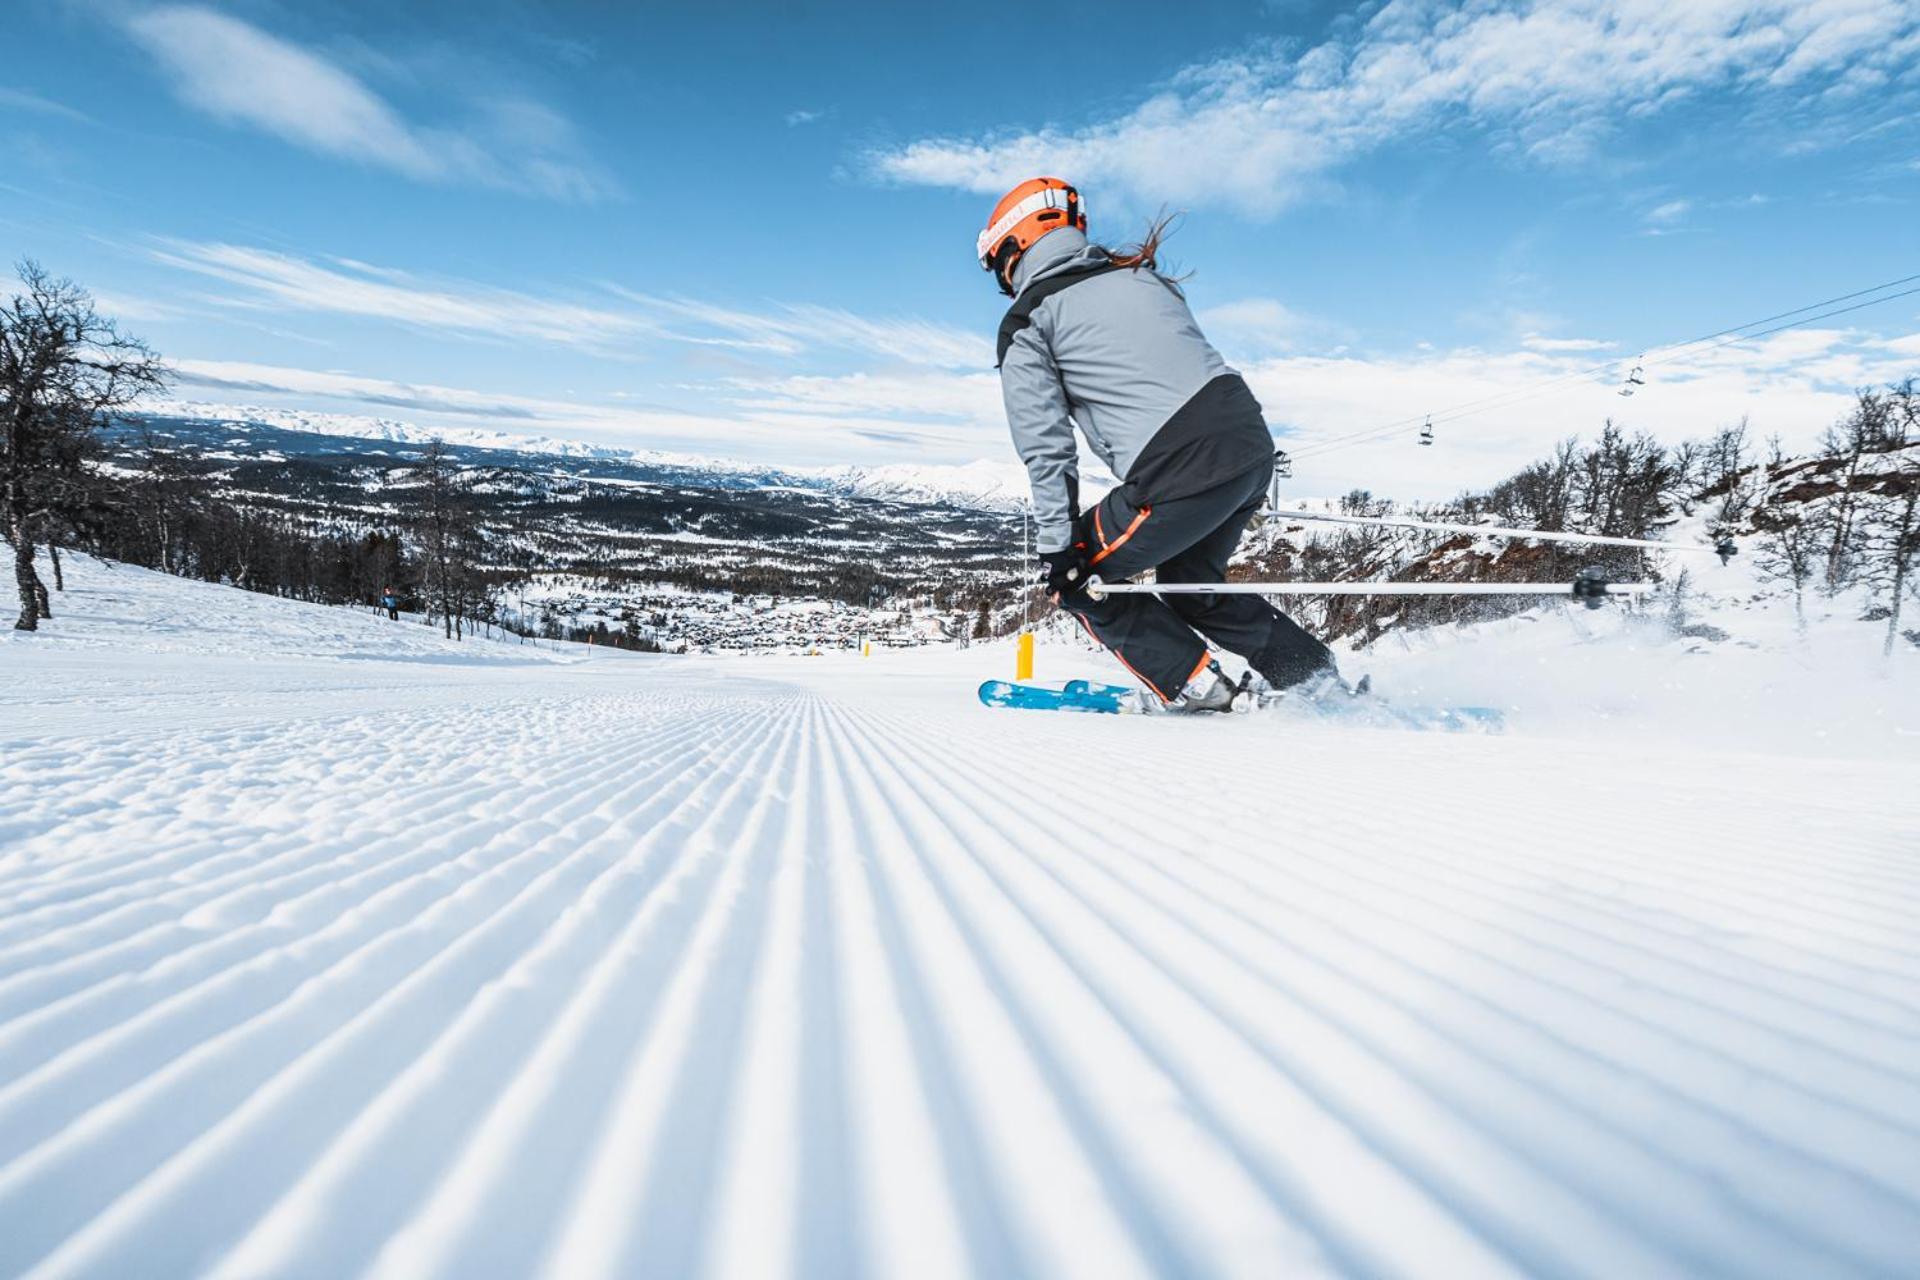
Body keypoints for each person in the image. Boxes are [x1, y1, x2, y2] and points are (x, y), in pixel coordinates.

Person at [981, 177, 1341, 713]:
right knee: (1191, 583)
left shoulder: (1031, 317)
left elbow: (1047, 448)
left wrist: (1060, 552)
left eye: (998, 266)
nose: (1004, 282)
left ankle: (1203, 687)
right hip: (1248, 446)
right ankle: (1315, 679)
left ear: (1015, 246)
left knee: (1080, 579)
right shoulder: (1140, 278)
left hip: (1179, 469)